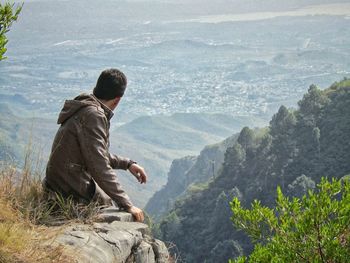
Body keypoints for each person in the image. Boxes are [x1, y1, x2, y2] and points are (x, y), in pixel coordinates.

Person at [43, 68, 147, 222]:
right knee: (109, 208)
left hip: (60, 182)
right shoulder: (93, 115)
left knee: (105, 201)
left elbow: (94, 154)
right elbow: (99, 165)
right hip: (68, 190)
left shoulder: (84, 106)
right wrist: (127, 204)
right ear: (118, 99)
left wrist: (127, 164)